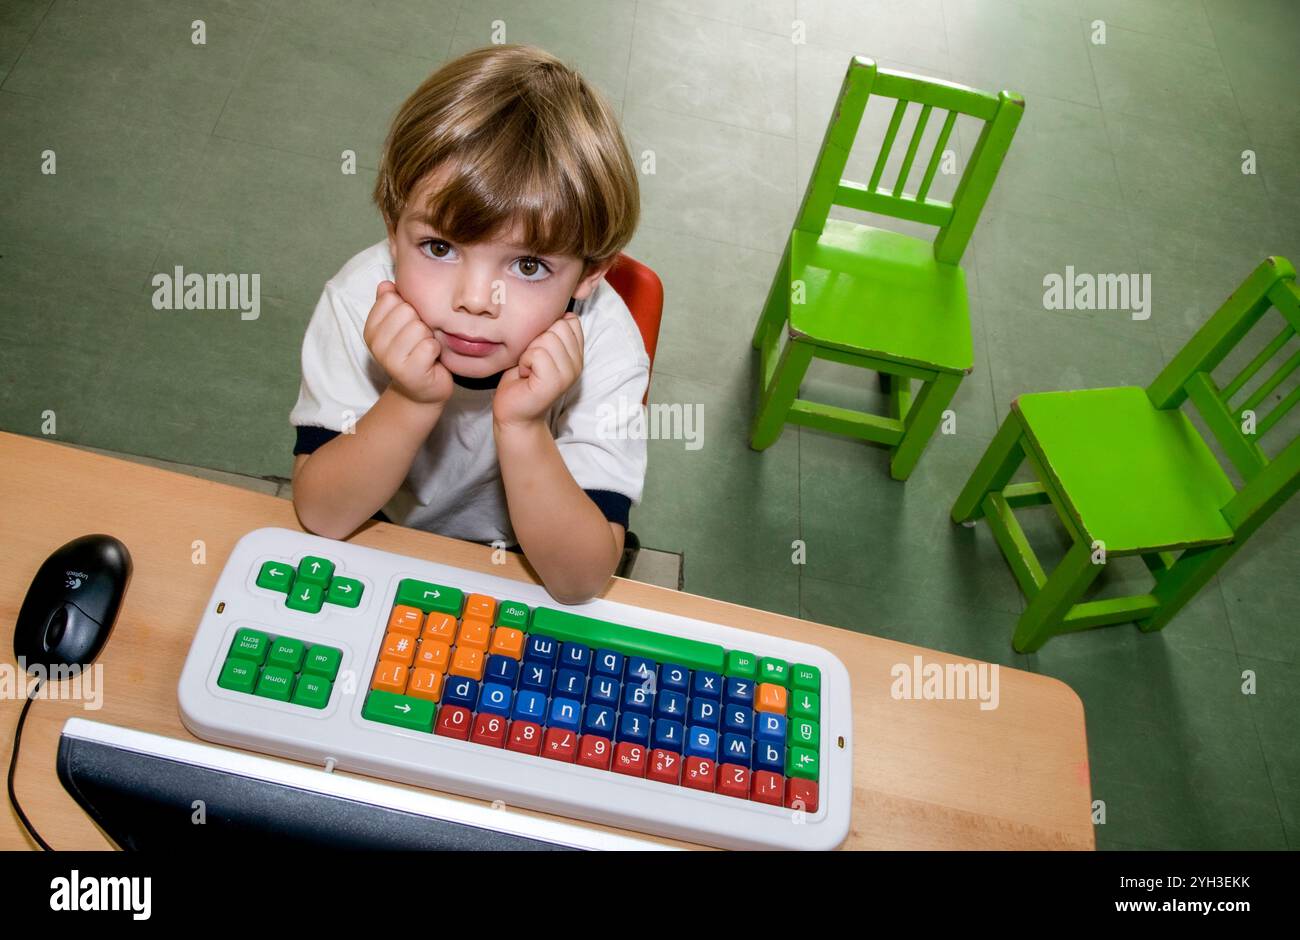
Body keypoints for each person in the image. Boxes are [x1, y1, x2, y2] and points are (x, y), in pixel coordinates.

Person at [289, 43, 648, 605]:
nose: (476, 300)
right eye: (439, 247)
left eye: (529, 265)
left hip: (528, 563)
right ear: (392, 226)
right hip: (375, 532)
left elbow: (578, 580)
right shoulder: (358, 301)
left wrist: (525, 428)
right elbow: (323, 515)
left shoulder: (608, 346)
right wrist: (410, 400)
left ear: (589, 275)